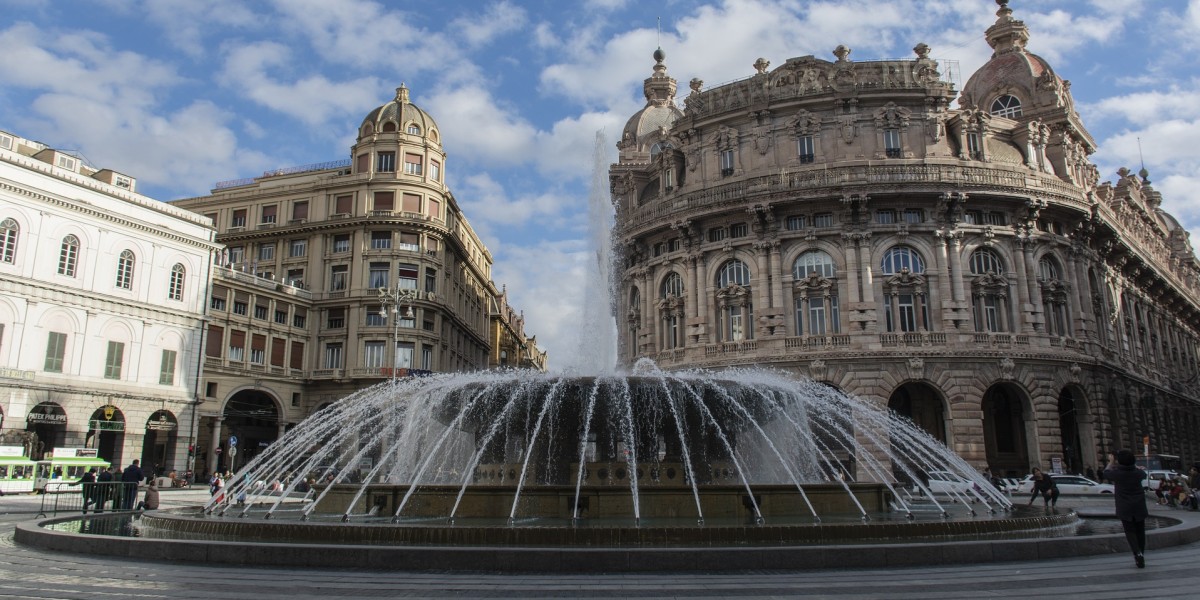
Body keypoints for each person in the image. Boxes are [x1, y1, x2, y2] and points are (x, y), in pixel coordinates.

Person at [1104, 449, 1148, 568]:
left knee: (1130, 531)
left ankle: (1137, 553)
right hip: (1139, 505)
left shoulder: (1117, 473)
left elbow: (1106, 472)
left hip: (1125, 506)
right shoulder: (1138, 473)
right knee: (1140, 531)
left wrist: (1111, 462)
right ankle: (1141, 554)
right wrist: (1134, 466)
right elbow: (1144, 474)